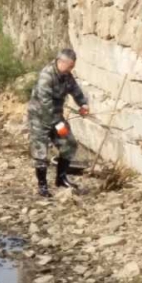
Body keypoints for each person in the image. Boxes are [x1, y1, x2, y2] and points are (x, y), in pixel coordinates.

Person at [28, 48, 89, 198]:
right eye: (70, 66)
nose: (71, 70)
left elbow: (75, 90)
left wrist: (83, 104)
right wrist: (57, 122)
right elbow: (45, 104)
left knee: (69, 144)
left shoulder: (66, 75)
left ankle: (61, 179)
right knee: (41, 153)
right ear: (61, 62)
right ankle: (42, 187)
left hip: (56, 119)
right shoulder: (46, 76)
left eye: (72, 67)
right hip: (40, 119)